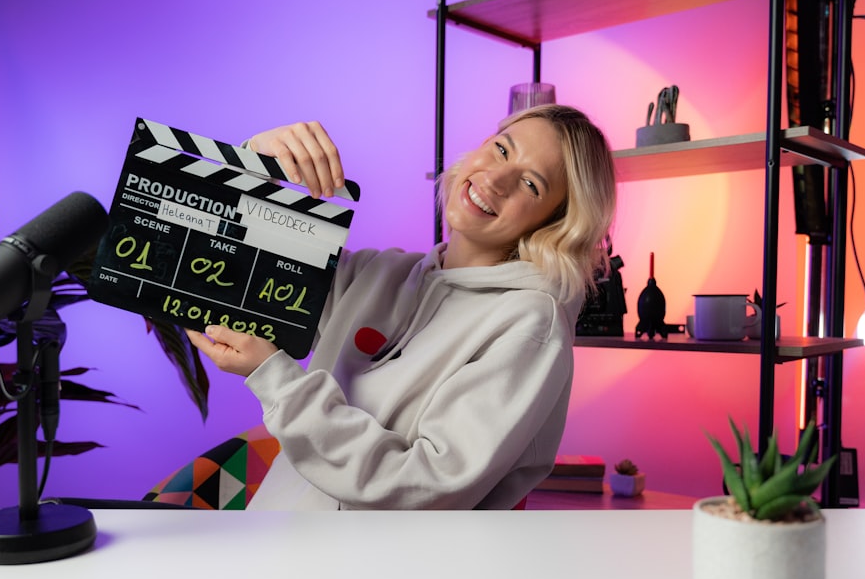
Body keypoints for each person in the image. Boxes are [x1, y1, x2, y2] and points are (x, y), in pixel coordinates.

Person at [187, 104, 617, 509]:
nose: (496, 179)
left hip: (373, 564)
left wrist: (277, 382)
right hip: (269, 542)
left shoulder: (530, 325)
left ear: (554, 224)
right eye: (501, 149)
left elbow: (426, 487)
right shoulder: (376, 272)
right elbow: (204, 264)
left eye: (531, 184)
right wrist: (253, 163)